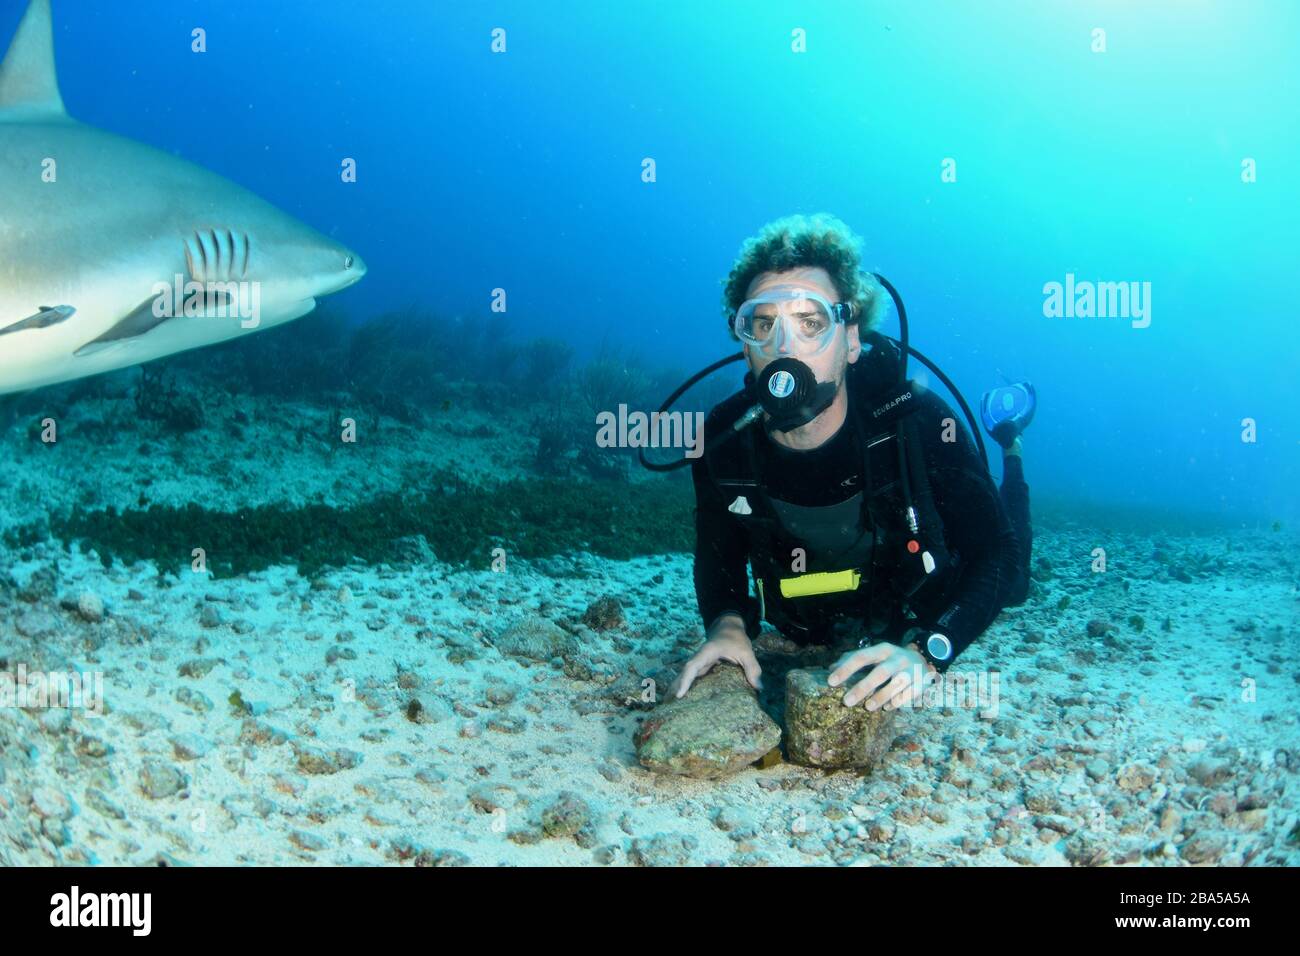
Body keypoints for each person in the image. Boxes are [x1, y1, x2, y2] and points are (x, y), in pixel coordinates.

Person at [671, 213, 1035, 713]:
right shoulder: (721, 440)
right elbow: (720, 550)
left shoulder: (916, 421)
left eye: (810, 322)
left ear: (851, 339)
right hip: (804, 618)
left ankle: (1010, 441)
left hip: (910, 606)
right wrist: (727, 624)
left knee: (1014, 584)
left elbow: (996, 555)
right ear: (745, 341)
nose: (783, 346)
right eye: (763, 323)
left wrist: (928, 651)